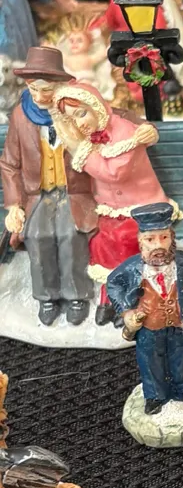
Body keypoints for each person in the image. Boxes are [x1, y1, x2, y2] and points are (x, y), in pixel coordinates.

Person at [51, 81, 169, 326]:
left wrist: (80, 150)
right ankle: (110, 297)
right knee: (100, 241)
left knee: (126, 240)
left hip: (143, 205)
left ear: (96, 107)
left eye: (82, 114)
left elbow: (114, 174)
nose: (79, 124)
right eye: (71, 120)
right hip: (110, 209)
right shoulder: (87, 139)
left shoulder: (124, 131)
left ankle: (130, 301)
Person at [0, 46, 95, 326]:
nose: (40, 97)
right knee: (38, 235)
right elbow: (9, 163)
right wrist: (14, 205)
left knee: (70, 234)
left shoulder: (74, 110)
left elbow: (110, 116)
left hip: (74, 191)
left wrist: (139, 127)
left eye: (47, 90)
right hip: (38, 194)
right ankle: (47, 297)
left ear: (61, 86)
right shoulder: (21, 116)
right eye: (34, 89)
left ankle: (77, 295)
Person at [106, 202, 183, 415]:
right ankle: (155, 395)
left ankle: (182, 387)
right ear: (140, 242)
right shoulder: (133, 268)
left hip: (179, 322)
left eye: (164, 237)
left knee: (180, 354)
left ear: (172, 238)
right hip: (149, 326)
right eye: (150, 239)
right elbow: (113, 283)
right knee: (150, 359)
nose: (158, 245)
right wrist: (126, 311)